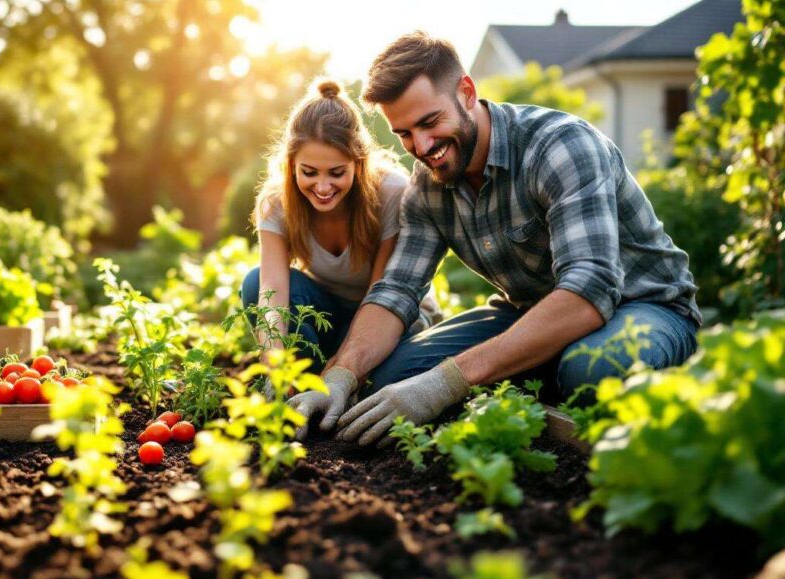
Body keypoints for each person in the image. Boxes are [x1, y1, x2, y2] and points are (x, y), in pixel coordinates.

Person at [288, 32, 701, 445]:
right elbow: (396, 290)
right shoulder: (429, 186)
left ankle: (545, 368)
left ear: (466, 92)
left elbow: (589, 291)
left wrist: (446, 383)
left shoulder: (560, 147)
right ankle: (531, 362)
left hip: (643, 305)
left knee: (591, 372)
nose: (423, 146)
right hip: (528, 311)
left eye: (430, 122)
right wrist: (340, 377)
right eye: (405, 134)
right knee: (387, 379)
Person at [241, 78, 440, 378]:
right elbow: (272, 291)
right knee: (255, 284)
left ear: (358, 164)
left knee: (378, 379)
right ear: (292, 164)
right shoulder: (275, 203)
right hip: (329, 311)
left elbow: (381, 292)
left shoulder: (390, 193)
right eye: (309, 172)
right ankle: (300, 385)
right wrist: (274, 363)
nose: (322, 187)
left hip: (385, 314)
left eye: (336, 173)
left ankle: (336, 379)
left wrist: (345, 366)